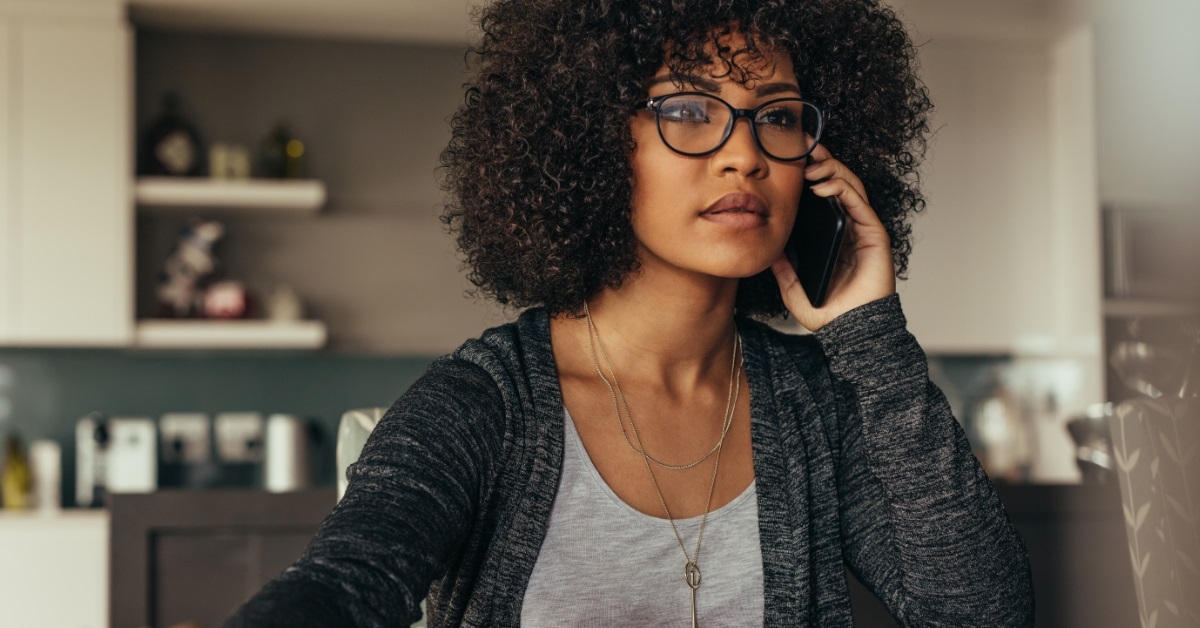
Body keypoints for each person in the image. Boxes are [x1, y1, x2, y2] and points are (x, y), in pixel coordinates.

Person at [227, 0, 1035, 626]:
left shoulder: (816, 403)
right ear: (592, 141)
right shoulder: (486, 405)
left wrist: (876, 341)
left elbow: (979, 615)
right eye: (688, 108)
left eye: (780, 114)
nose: (745, 152)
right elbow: (347, 583)